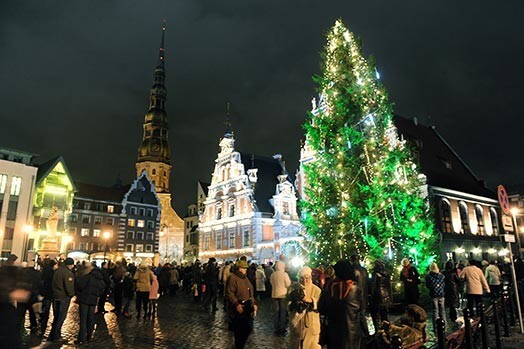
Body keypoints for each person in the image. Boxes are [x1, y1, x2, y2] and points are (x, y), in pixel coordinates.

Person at [318, 259, 363, 348]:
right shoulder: (356, 288)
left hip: (334, 333)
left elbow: (321, 308)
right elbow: (360, 307)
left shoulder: (329, 287)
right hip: (352, 332)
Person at [226, 260, 258, 349]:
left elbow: (250, 292)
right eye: (244, 268)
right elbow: (230, 293)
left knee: (247, 329)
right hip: (239, 308)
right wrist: (236, 304)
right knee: (239, 331)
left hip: (248, 307)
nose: (246, 270)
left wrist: (254, 303)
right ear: (239, 269)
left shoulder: (245, 278)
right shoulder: (233, 278)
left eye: (246, 268)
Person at [288, 267, 321, 349]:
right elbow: (287, 302)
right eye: (302, 278)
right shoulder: (293, 288)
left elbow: (320, 305)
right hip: (297, 323)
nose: (304, 280)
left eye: (307, 278)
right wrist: (293, 304)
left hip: (311, 324)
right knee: (296, 344)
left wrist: (311, 301)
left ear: (310, 277)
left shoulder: (316, 290)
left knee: (311, 345)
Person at [75, 263, 105, 344]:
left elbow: (80, 286)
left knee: (83, 319)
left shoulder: (87, 277)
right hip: (94, 300)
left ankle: (81, 338)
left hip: (84, 299)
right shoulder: (99, 278)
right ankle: (89, 337)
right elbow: (102, 289)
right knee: (91, 318)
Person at [49, 257, 75, 342]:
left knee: (56, 317)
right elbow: (69, 287)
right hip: (63, 297)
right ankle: (56, 335)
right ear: (70, 265)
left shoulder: (57, 271)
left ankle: (52, 334)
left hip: (55, 296)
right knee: (61, 317)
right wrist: (71, 294)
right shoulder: (68, 273)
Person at [369, 260, 392, 331]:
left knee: (375, 314)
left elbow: (373, 285)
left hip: (377, 296)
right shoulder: (386, 273)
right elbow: (388, 285)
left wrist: (370, 296)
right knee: (384, 314)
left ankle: (378, 331)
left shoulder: (375, 274)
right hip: (385, 295)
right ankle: (386, 330)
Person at [270, 260, 291, 334]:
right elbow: (288, 284)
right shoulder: (285, 274)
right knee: (283, 312)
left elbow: (271, 283)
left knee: (276, 312)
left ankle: (276, 327)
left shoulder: (273, 274)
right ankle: (282, 327)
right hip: (283, 295)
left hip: (274, 294)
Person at [425, 262, 446, 330]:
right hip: (441, 294)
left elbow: (428, 285)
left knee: (435, 310)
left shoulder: (429, 276)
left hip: (434, 294)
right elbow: (444, 284)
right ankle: (444, 324)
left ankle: (436, 326)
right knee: (442, 310)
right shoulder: (441, 275)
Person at [39, 259, 57, 335]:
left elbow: (42, 282)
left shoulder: (44, 271)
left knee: (45, 310)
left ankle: (42, 325)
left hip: (45, 293)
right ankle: (54, 329)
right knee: (54, 311)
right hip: (51, 293)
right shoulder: (53, 272)